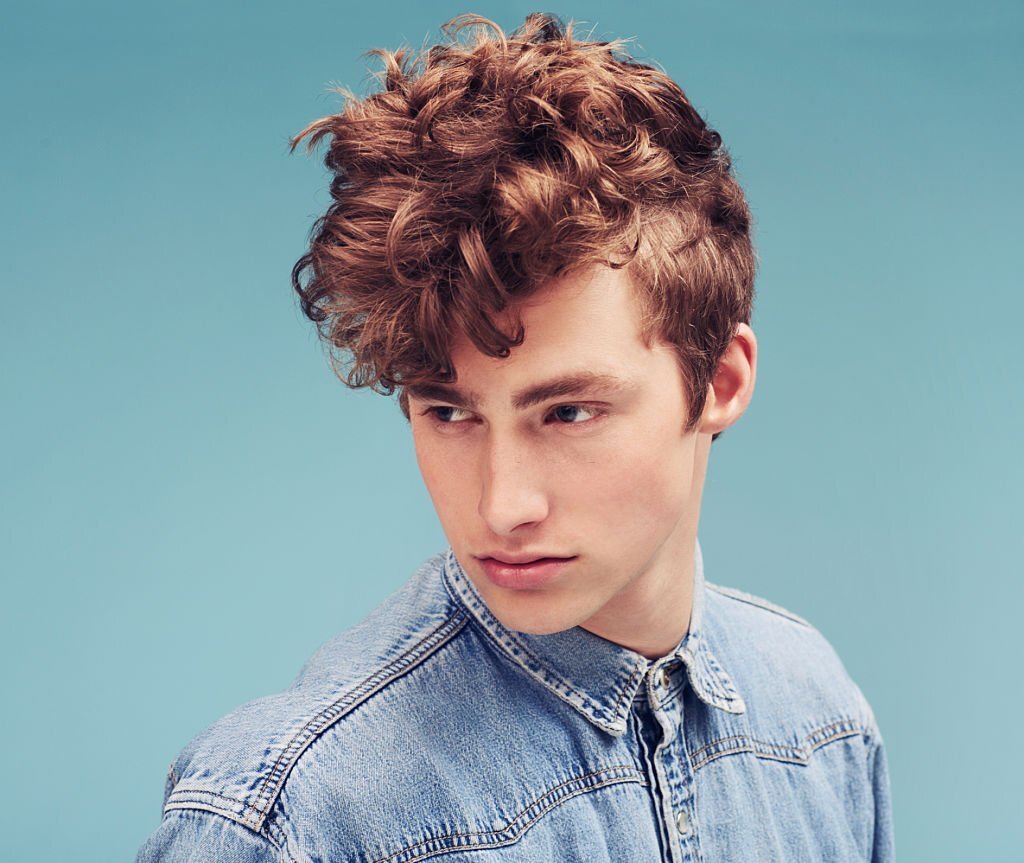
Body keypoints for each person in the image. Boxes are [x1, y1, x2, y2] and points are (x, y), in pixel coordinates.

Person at [135, 12, 893, 862]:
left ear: (720, 381)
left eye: (567, 412)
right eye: (449, 411)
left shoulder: (819, 718)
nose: (502, 506)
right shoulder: (296, 819)